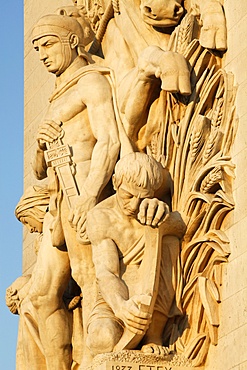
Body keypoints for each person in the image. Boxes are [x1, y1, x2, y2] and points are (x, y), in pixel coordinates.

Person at [20, 13, 122, 369]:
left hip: (84, 190)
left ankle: (102, 355)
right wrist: (37, 147)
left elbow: (109, 141)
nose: (43, 55)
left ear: (72, 42)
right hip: (57, 199)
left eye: (48, 45)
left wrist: (91, 196)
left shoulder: (91, 83)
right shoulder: (54, 96)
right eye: (36, 48)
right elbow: (38, 170)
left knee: (88, 276)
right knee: (41, 294)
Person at [86, 152, 186, 356]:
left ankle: (155, 336)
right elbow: (107, 273)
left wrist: (163, 214)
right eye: (128, 196)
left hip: (153, 290)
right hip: (114, 299)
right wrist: (121, 307)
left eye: (144, 198)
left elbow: (185, 226)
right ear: (115, 183)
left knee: (169, 243)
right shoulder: (100, 217)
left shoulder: (155, 206)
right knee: (101, 339)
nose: (133, 205)